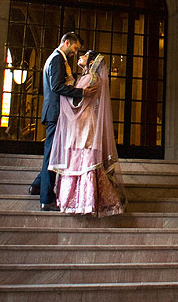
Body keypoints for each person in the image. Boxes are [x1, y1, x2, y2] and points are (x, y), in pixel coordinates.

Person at [49, 51, 128, 216]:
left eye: (84, 55)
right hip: (84, 121)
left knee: (83, 160)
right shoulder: (91, 78)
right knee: (82, 159)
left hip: (83, 121)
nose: (80, 56)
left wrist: (66, 85)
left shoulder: (91, 78)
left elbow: (75, 98)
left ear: (91, 62)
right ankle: (82, 200)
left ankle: (83, 201)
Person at [30, 32, 90, 210]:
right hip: (55, 114)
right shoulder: (56, 59)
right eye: (75, 47)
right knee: (52, 155)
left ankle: (37, 186)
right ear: (66, 42)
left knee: (51, 153)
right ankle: (46, 199)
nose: (75, 51)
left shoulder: (53, 58)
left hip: (52, 112)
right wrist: (81, 93)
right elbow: (56, 86)